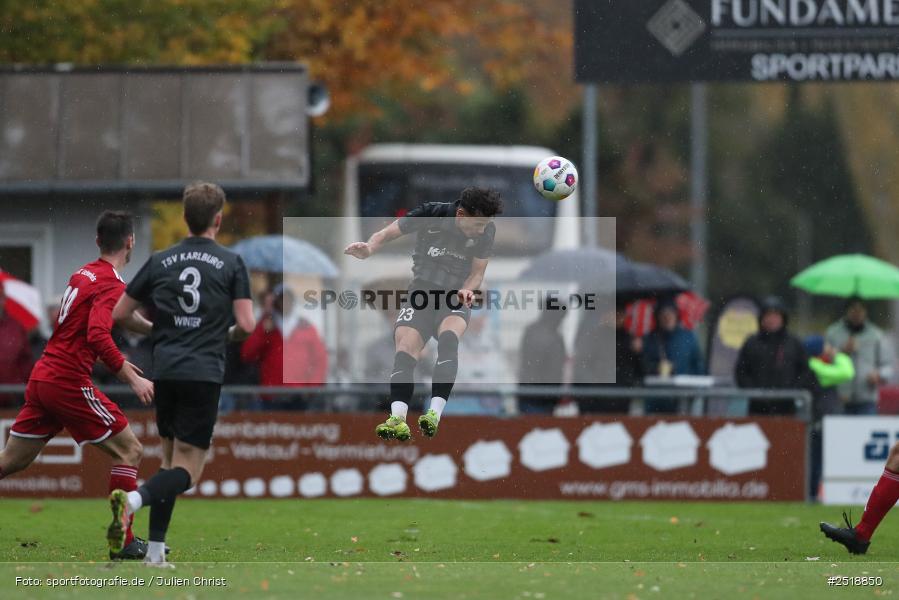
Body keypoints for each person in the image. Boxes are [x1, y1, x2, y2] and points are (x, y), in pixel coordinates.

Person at [108, 182, 255, 567]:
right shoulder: (231, 262)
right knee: (188, 473)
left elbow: (120, 314)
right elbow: (248, 325)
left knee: (170, 463)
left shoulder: (160, 260)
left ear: (185, 218)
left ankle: (155, 552)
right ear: (218, 219)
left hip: (166, 371)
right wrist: (223, 334)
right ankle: (134, 500)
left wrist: (158, 331)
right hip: (202, 372)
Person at [0, 211, 154, 560]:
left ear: (98, 241)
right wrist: (132, 377)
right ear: (130, 242)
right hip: (67, 381)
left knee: (11, 461)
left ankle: (124, 538)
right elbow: (98, 333)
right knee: (130, 451)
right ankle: (124, 540)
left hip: (44, 377)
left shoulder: (83, 274)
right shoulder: (112, 284)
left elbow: (98, 325)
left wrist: (154, 334)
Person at [344, 186, 502, 440]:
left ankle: (434, 414)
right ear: (461, 214)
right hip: (421, 295)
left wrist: (467, 290)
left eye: (487, 224)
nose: (482, 230)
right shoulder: (431, 213)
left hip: (454, 296)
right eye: (479, 224)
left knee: (449, 340)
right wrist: (370, 248)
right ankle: (397, 418)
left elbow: (477, 273)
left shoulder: (487, 231)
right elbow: (387, 233)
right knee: (405, 349)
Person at [240, 284, 328, 406]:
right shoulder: (266, 325)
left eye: (288, 299)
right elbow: (247, 353)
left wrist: (312, 387)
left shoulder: (306, 327)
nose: (285, 303)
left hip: (300, 395)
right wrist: (262, 330)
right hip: (271, 395)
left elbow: (320, 360)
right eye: (281, 299)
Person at [734, 296, 813, 416]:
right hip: (757, 408)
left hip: (787, 408)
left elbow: (805, 372)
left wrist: (791, 392)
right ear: (761, 318)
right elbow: (741, 372)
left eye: (776, 315)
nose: (772, 319)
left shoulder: (793, 343)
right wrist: (756, 394)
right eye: (768, 315)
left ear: (783, 318)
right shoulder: (752, 343)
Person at [825, 297, 895, 415]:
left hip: (866, 400)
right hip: (839, 399)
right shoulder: (833, 333)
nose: (857, 314)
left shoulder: (876, 335)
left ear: (865, 312)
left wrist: (879, 374)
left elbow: (888, 366)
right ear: (846, 311)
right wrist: (842, 351)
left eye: (860, 310)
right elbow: (824, 363)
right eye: (853, 310)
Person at [805, 335, 854, 500]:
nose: (828, 347)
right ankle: (812, 494)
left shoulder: (815, 365)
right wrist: (837, 354)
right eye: (825, 345)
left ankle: (813, 493)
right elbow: (847, 372)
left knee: (817, 458)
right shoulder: (815, 366)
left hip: (821, 418)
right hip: (820, 419)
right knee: (817, 459)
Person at [641, 299, 705, 414]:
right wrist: (656, 368)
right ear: (658, 317)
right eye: (663, 315)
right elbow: (642, 366)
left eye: (670, 314)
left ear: (676, 315)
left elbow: (699, 366)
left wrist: (689, 383)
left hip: (682, 398)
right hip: (656, 400)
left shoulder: (688, 337)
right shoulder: (650, 339)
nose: (667, 318)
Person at [518, 306, 567, 414]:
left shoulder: (531, 331)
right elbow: (555, 369)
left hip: (531, 393)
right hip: (542, 396)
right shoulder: (554, 337)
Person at [0, 285, 33, 405]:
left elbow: (26, 361)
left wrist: (23, 386)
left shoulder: (16, 326)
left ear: (4, 300)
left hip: (13, 396)